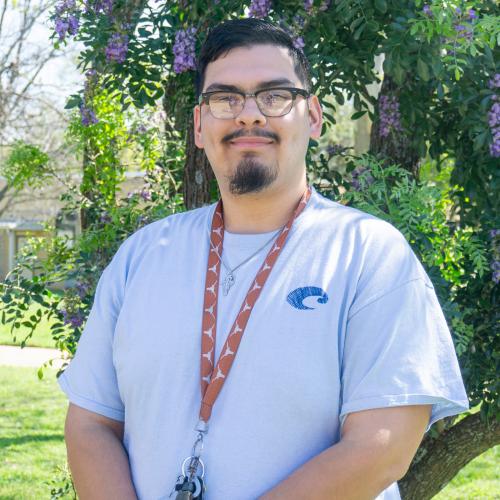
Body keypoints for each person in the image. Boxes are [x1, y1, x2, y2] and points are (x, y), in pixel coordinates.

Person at [59, 18, 469, 500]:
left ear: (313, 117)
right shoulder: (143, 255)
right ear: (198, 124)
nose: (249, 115)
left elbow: (384, 444)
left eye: (275, 96)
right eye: (225, 98)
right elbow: (91, 423)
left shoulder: (370, 253)